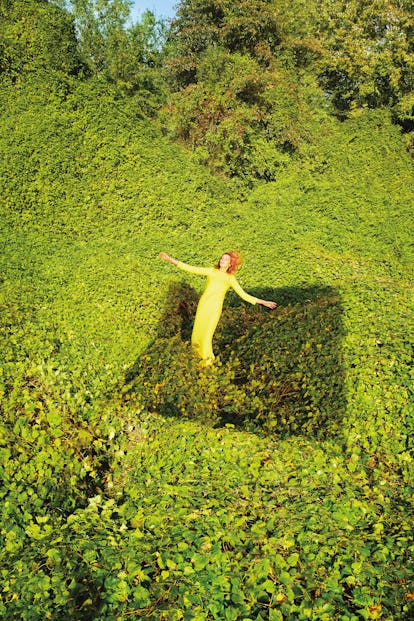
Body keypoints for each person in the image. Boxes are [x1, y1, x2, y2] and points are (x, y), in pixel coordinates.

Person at [160, 251, 277, 363]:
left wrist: (264, 302)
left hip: (214, 308)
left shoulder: (230, 278)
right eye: (222, 258)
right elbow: (191, 268)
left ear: (230, 264)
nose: (222, 260)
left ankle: (207, 363)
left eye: (226, 259)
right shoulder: (212, 271)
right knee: (196, 334)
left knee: (206, 336)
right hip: (203, 306)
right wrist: (170, 259)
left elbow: (244, 295)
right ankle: (195, 359)